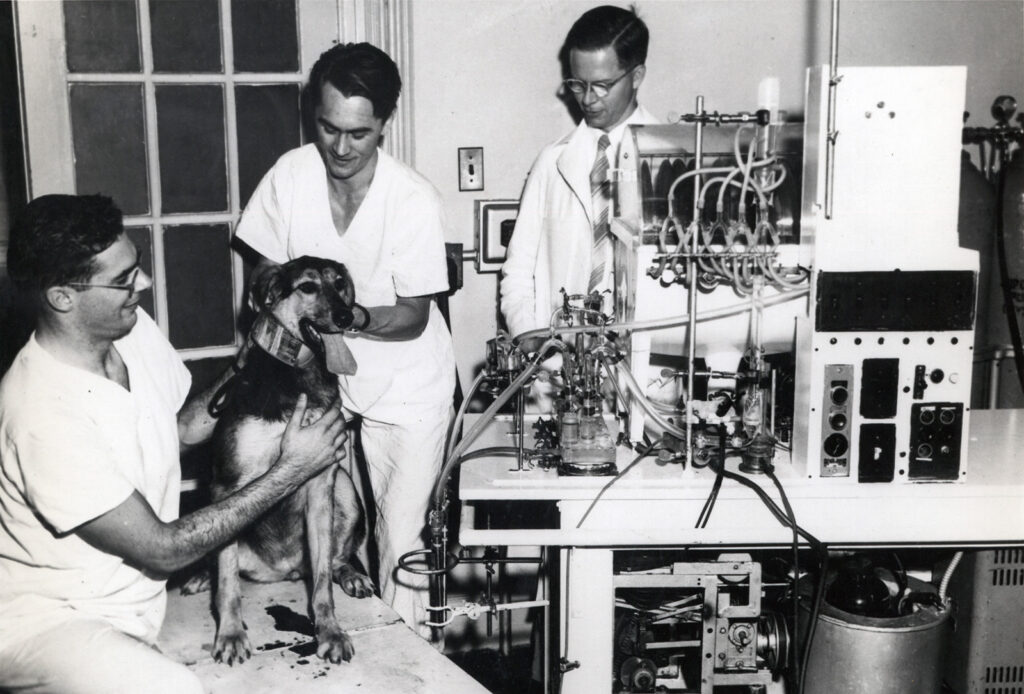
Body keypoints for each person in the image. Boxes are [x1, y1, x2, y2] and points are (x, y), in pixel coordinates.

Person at [0, 194, 349, 693]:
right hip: (51, 623)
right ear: (62, 297)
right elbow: (162, 550)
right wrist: (291, 470)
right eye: (122, 280)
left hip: (135, 607)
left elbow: (181, 429)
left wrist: (247, 365)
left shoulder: (129, 329)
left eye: (136, 268)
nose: (142, 285)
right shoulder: (39, 411)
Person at [234, 42, 456, 639]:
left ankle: (410, 666)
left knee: (398, 539)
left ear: (384, 123)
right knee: (321, 522)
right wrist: (280, 315)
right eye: (329, 127)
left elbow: (411, 315)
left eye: (358, 133)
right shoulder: (290, 174)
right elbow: (262, 275)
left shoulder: (412, 199)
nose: (340, 147)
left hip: (404, 387)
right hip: (318, 383)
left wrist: (342, 318)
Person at [500, 5, 659, 347]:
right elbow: (518, 270)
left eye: (602, 85)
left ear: (637, 76)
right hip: (560, 368)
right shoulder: (552, 161)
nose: (588, 99)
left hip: (642, 367)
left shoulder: (670, 161)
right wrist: (528, 338)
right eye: (577, 84)